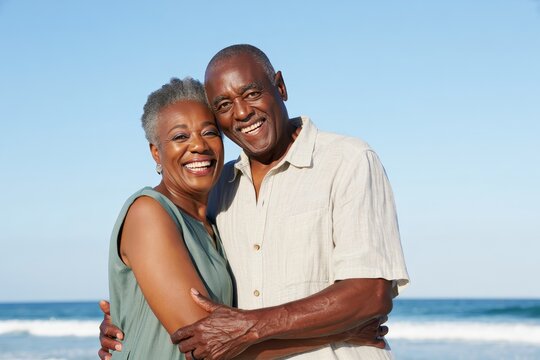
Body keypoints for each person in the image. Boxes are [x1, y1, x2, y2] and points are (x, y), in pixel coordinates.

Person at [100, 44, 409, 359]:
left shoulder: (347, 160)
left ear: (280, 86)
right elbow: (206, 339)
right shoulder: (215, 191)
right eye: (223, 104)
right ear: (156, 151)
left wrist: (250, 326)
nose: (243, 112)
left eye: (251, 94)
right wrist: (132, 317)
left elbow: (371, 293)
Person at [106, 77, 233, 359]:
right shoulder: (148, 213)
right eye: (180, 137)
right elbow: (204, 340)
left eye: (210, 132)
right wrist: (333, 332)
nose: (198, 146)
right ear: (156, 152)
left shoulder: (215, 221)